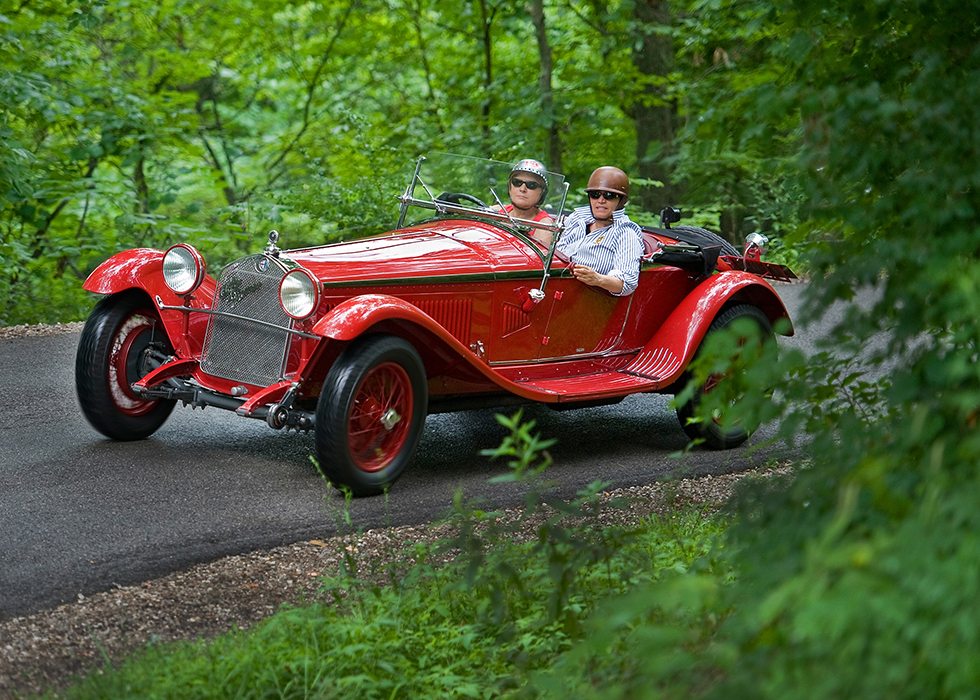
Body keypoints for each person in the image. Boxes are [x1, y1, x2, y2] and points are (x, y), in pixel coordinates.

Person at [556, 166, 643, 296]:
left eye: (609, 195)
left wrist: (598, 279)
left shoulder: (625, 233)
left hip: (587, 299)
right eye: (595, 194)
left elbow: (628, 283)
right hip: (553, 285)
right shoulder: (577, 219)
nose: (601, 200)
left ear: (621, 201)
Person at [492, 158, 555, 245]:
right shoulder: (497, 211)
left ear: (542, 191)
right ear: (510, 186)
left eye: (531, 185)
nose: (522, 189)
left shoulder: (544, 226)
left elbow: (535, 258)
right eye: (517, 182)